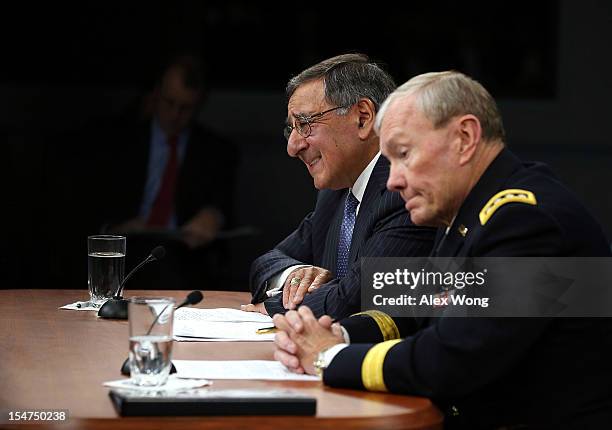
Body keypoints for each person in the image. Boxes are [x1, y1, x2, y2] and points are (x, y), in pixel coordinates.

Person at [272, 71, 612, 428]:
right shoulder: (466, 213)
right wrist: (338, 334)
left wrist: (331, 357)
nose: (393, 180)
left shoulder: (524, 219)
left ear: (464, 138)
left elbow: (455, 357)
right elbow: (414, 308)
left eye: (404, 154)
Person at [243, 54, 436, 318]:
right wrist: (295, 276)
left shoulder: (404, 192)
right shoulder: (335, 195)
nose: (293, 147)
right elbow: (266, 263)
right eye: (292, 129)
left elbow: (356, 297)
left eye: (305, 124)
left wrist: (275, 306)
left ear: (363, 118)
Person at [97, 53, 237, 287]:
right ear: (155, 94)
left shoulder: (216, 151)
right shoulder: (118, 141)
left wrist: (213, 217)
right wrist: (114, 230)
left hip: (183, 255)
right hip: (126, 248)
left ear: (199, 106)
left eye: (185, 108)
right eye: (169, 103)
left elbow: (224, 208)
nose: (174, 116)